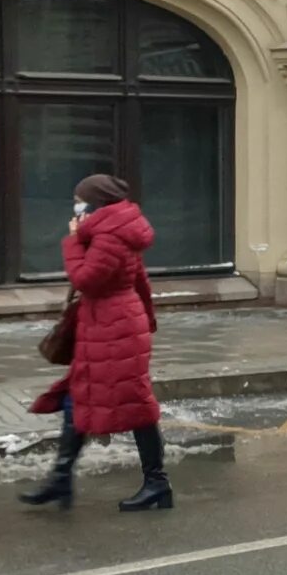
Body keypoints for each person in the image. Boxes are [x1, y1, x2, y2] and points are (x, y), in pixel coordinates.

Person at [21, 174, 170, 512]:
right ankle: (61, 478)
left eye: (79, 201)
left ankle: (157, 483)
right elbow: (139, 279)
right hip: (108, 325)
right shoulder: (112, 230)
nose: (75, 207)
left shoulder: (109, 236)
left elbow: (86, 278)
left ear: (95, 204)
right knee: (80, 395)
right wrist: (146, 319)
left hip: (114, 327)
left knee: (134, 403)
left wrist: (74, 241)